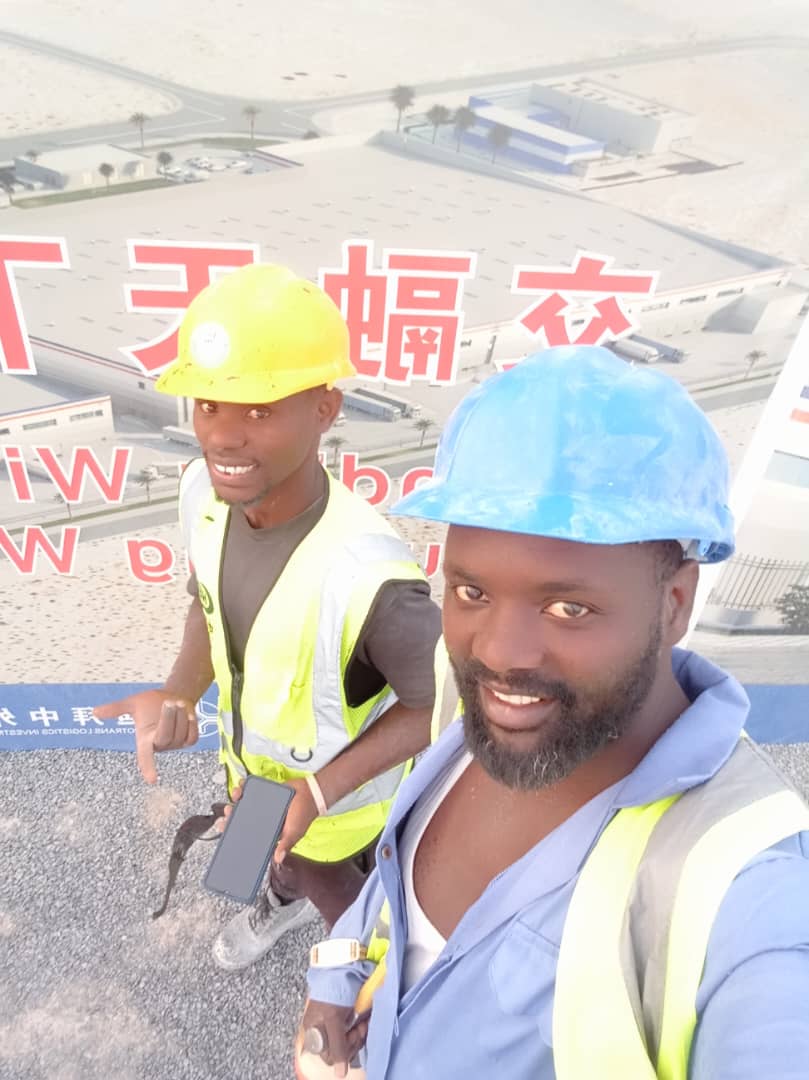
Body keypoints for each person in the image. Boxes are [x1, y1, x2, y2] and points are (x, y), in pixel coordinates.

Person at [298, 345, 809, 1079]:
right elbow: (390, 899)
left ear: (673, 604)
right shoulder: (489, 717)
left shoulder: (738, 892)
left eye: (569, 607)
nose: (500, 653)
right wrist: (335, 985)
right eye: (471, 592)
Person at [95, 263, 440, 970]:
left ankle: (372, 979)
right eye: (209, 407)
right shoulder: (203, 492)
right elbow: (205, 600)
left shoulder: (370, 576)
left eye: (259, 411)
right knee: (269, 860)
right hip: (251, 777)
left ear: (324, 409)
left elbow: (440, 703)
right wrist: (182, 691)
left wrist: (315, 792)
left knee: (346, 901)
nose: (223, 437)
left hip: (339, 808)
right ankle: (278, 901)